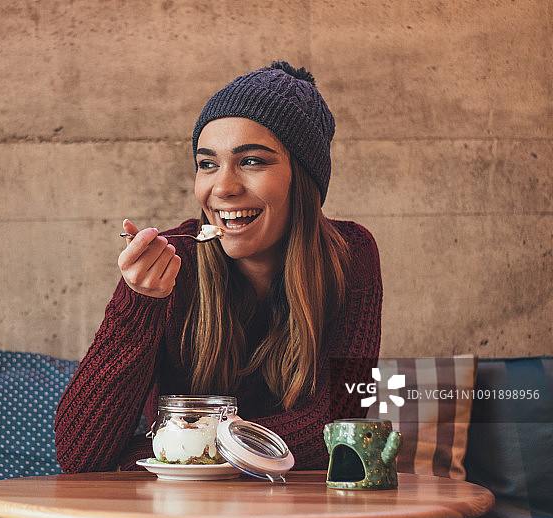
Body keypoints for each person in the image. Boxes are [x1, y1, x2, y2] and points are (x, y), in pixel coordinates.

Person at [54, 61, 382, 473]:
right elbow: (79, 455)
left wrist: (174, 449)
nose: (223, 188)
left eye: (252, 162)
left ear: (304, 179)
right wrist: (140, 305)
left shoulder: (352, 256)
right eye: (207, 164)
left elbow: (342, 422)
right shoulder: (176, 261)